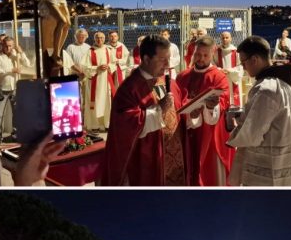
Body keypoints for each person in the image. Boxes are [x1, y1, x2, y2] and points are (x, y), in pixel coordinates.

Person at [227, 36, 291, 185]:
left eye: (243, 62)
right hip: (285, 161)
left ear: (255, 59)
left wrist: (235, 125)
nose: (243, 67)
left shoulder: (265, 89)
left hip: (267, 169)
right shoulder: (285, 83)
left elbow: (252, 134)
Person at [100, 34, 179, 185]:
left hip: (172, 163)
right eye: (163, 60)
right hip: (145, 162)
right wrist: (159, 109)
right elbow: (125, 125)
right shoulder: (129, 88)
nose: (168, 64)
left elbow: (181, 107)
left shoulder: (166, 80)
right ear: (146, 59)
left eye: (169, 59)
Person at [177, 36, 235, 185]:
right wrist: (190, 113)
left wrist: (210, 107)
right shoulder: (183, 76)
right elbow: (178, 104)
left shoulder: (219, 77)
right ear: (193, 52)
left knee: (211, 176)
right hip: (188, 132)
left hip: (211, 134)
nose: (201, 59)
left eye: (205, 55)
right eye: (197, 54)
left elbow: (222, 105)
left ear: (212, 54)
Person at [0, 37, 31, 142]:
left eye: (10, 46)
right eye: (6, 46)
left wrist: (21, 53)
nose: (8, 48)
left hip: (15, 88)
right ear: (2, 45)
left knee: (17, 113)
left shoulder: (16, 55)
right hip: (2, 89)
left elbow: (28, 64)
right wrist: (11, 70)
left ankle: (15, 135)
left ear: (13, 45)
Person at [83, 31, 117, 131]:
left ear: (104, 39)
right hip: (95, 81)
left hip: (105, 81)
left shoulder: (107, 50)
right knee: (95, 102)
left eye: (102, 38)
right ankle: (95, 125)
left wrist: (108, 66)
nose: (99, 40)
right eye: (97, 38)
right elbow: (84, 67)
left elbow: (114, 63)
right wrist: (97, 68)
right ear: (94, 39)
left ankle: (106, 124)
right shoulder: (90, 51)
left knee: (106, 102)